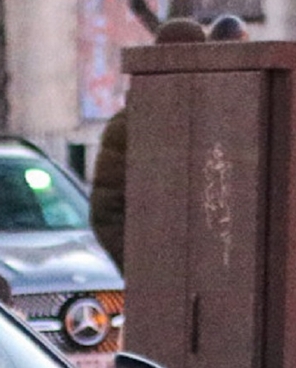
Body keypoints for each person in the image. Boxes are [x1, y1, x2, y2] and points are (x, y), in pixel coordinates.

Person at [88, 16, 210, 269]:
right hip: (159, 271)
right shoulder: (130, 126)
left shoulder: (217, 118)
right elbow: (106, 210)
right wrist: (141, 266)